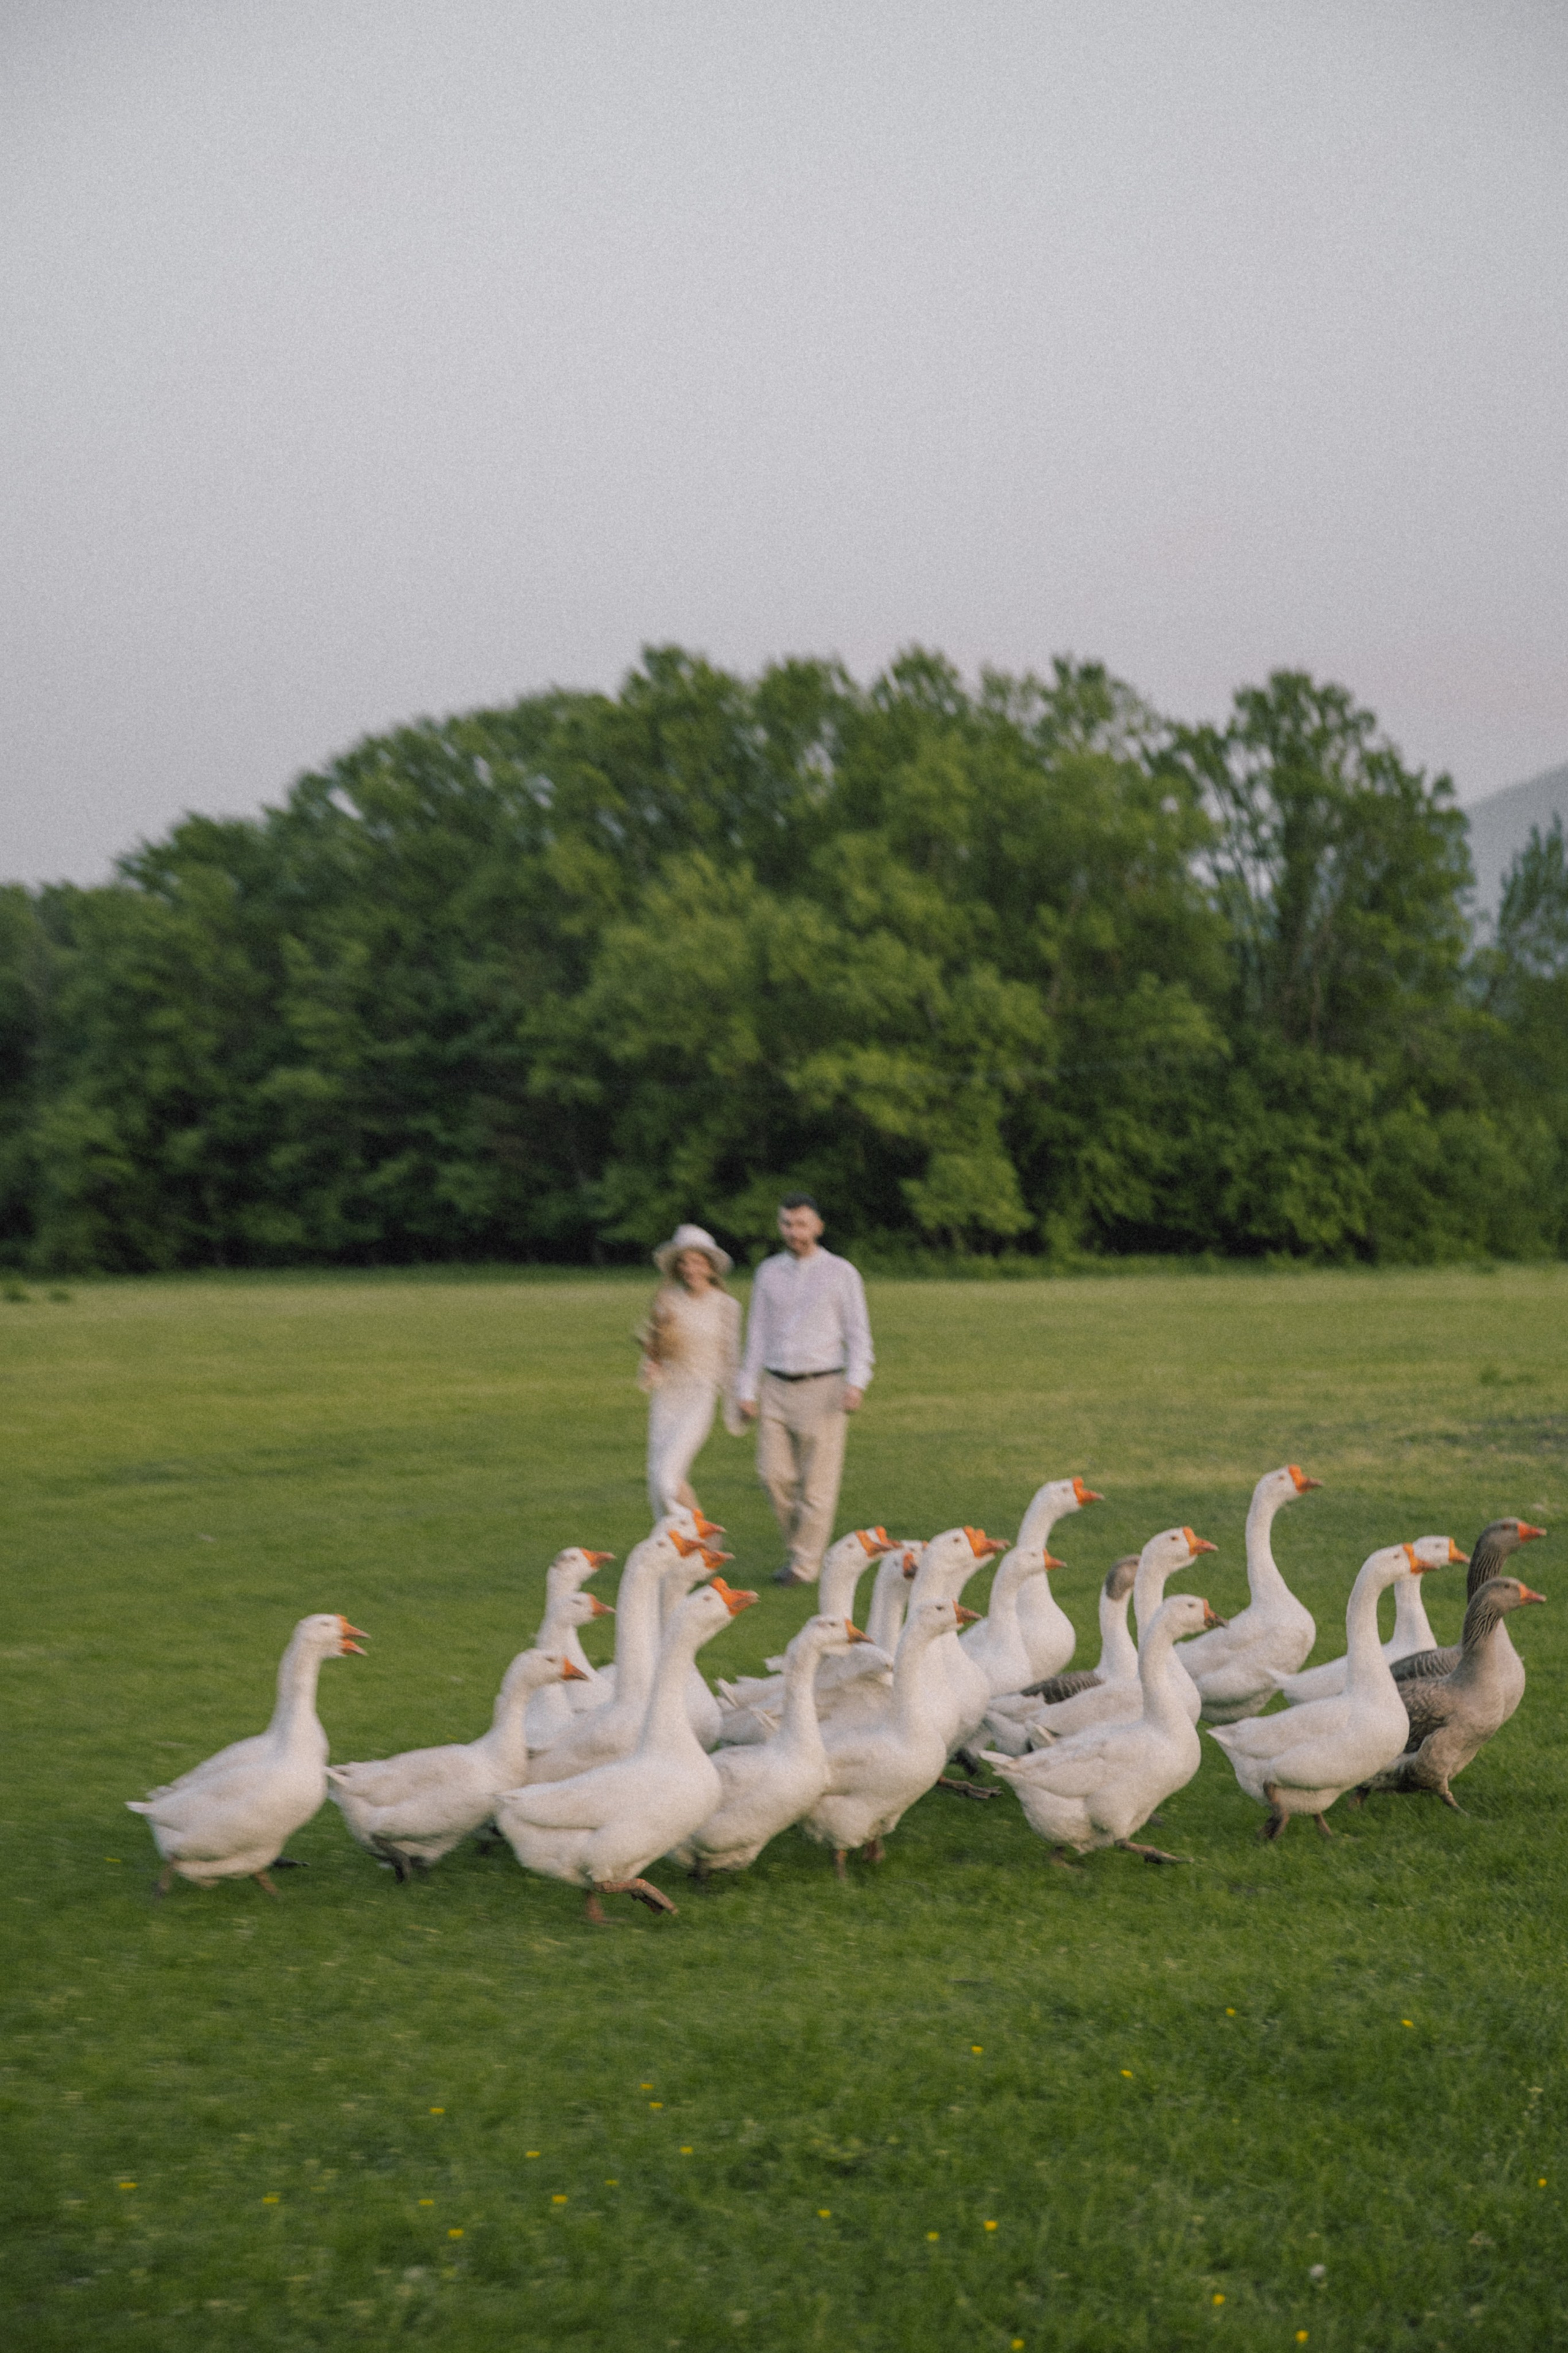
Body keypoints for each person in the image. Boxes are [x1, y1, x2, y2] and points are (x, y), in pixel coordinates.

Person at [736, 1194, 875, 1586]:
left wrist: (855, 1383)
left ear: (818, 1227)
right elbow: (757, 1334)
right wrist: (746, 1389)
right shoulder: (768, 1272)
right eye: (786, 1224)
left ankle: (803, 1565)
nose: (793, 1232)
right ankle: (805, 1549)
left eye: (801, 1224)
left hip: (824, 1386)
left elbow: (858, 1336)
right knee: (773, 1476)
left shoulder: (840, 1272)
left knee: (817, 1487)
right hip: (775, 1386)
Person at [638, 1224, 744, 1519]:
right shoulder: (667, 1302)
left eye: (697, 1261)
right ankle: (677, 1548)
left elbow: (732, 1360)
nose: (690, 1269)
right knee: (657, 1483)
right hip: (667, 1396)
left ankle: (705, 1542)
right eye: (684, 1262)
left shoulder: (727, 1306)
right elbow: (655, 1350)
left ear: (711, 1267)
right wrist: (651, 1367)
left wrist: (738, 1405)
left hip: (700, 1395)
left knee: (667, 1479)